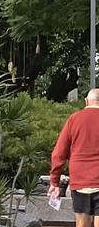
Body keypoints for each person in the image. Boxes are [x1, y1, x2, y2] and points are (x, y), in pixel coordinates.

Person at [50, 88, 99, 227]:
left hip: (80, 181)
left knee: (82, 224)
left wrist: (54, 182)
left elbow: (58, 153)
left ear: (86, 101)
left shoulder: (74, 118)